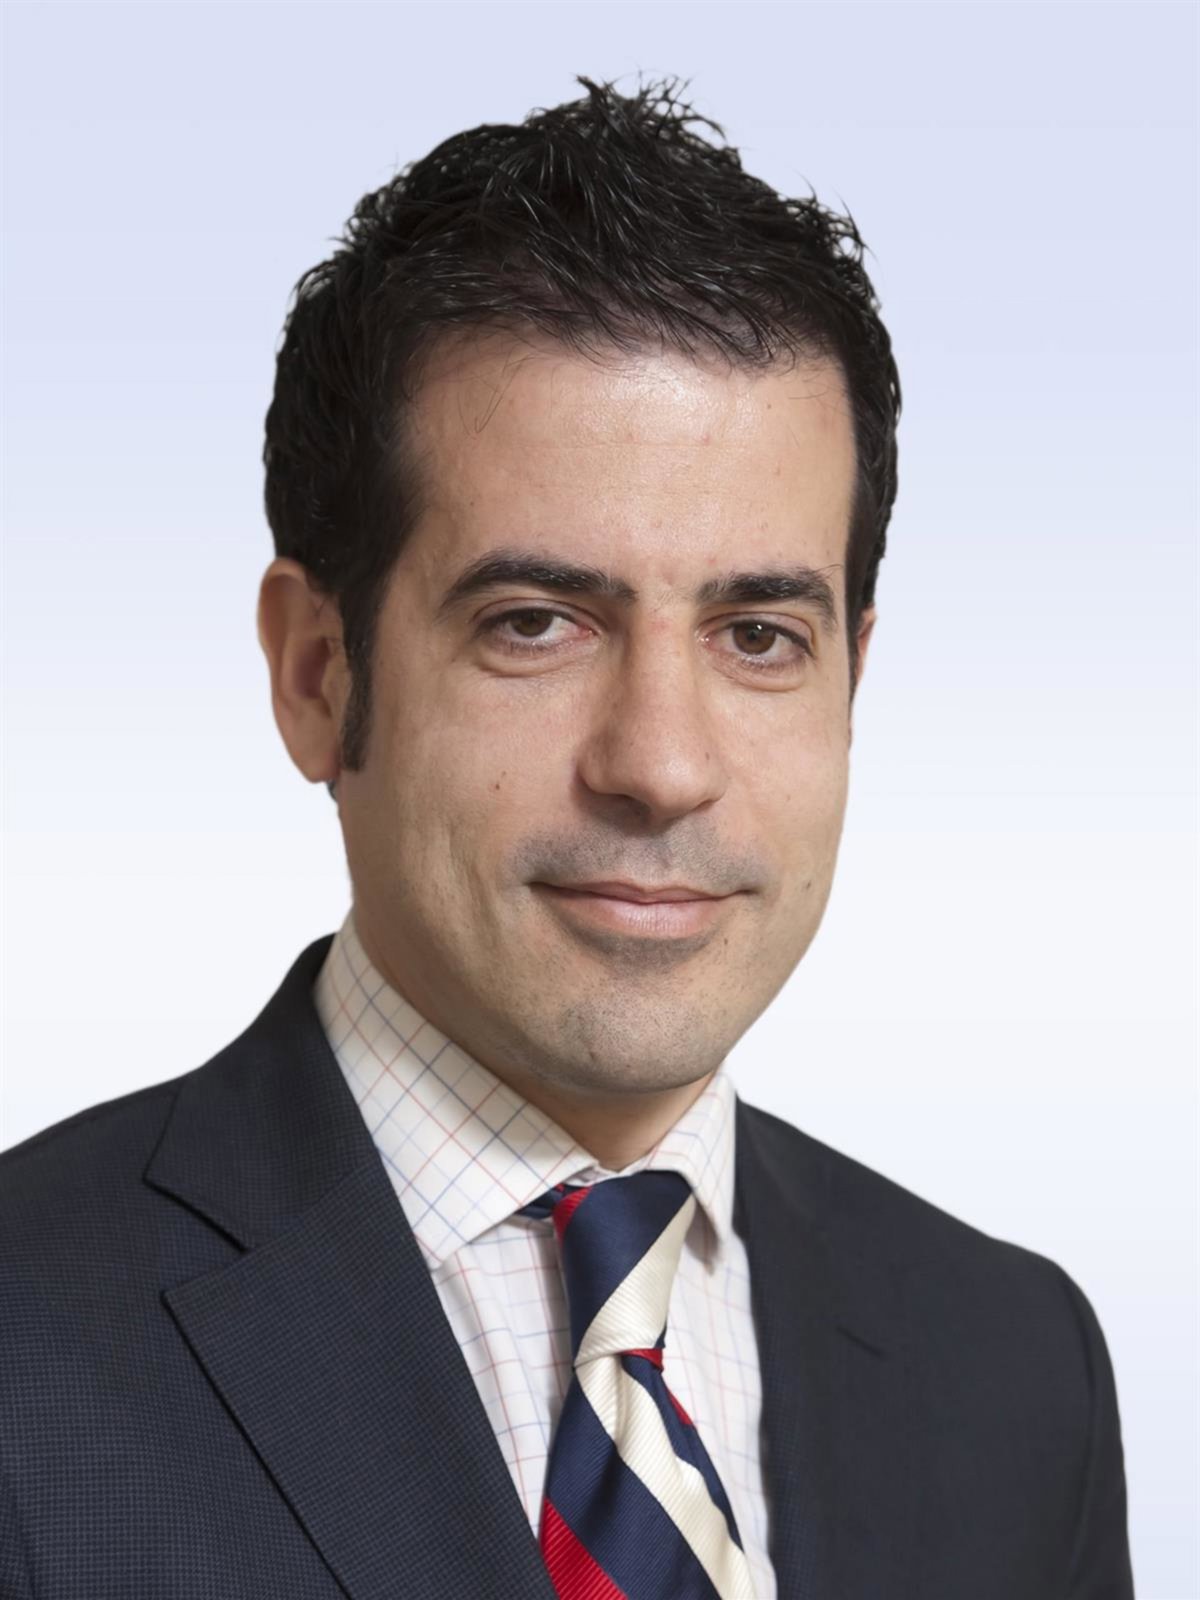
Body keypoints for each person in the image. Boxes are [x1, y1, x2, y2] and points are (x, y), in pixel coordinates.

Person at [0, 74, 1134, 1600]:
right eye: (536, 623)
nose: (661, 767)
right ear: (318, 674)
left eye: (759, 635)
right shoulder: (27, 1350)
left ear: (854, 680)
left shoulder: (1015, 1368)